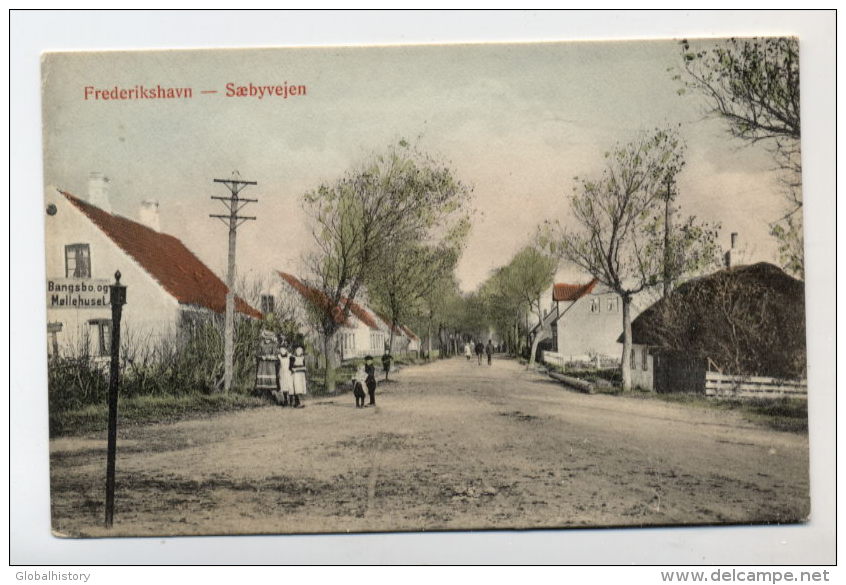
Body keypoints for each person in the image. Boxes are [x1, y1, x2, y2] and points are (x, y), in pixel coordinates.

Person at [254, 329, 279, 400]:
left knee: (270, 377)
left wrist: (270, 357)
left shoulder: (273, 345)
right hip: (263, 364)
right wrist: (261, 356)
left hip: (270, 365)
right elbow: (257, 353)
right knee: (262, 377)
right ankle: (262, 394)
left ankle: (271, 395)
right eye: (266, 338)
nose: (267, 340)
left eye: (268, 339)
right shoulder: (261, 344)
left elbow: (276, 355)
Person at [273, 336, 293, 407]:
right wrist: (278, 372)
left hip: (288, 373)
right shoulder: (279, 357)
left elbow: (292, 363)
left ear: (286, 350)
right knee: (284, 387)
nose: (282, 351)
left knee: (290, 387)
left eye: (283, 349)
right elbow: (277, 365)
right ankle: (285, 401)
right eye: (281, 350)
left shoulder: (289, 356)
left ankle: (291, 400)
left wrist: (291, 369)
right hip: (282, 373)